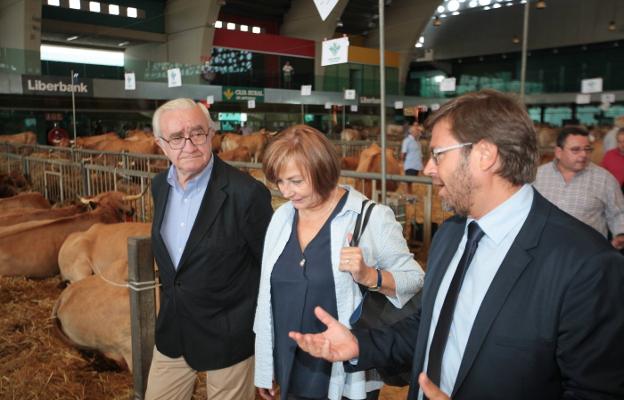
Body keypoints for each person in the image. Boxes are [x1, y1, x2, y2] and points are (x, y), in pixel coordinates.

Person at [287, 90, 624, 400]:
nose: (429, 169)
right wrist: (359, 344)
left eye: (438, 155)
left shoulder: (587, 264)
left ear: (485, 155)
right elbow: (428, 324)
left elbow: (594, 392)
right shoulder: (451, 235)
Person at [254, 124, 424, 400]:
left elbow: (414, 279)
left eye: (296, 181)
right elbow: (268, 299)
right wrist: (266, 364)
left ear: (322, 170)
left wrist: (370, 276)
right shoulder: (282, 218)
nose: (286, 192)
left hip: (342, 366)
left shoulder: (370, 217)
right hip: (289, 360)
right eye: (280, 182)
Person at [145, 98, 273, 400]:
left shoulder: (246, 193)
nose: (188, 145)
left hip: (229, 335)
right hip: (174, 330)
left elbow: (270, 269)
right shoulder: (159, 186)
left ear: (212, 134)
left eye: (197, 133)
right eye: (176, 137)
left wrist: (268, 346)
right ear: (161, 144)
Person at [533, 126, 624, 250]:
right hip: (544, 252)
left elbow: (618, 213)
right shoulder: (537, 176)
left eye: (587, 149)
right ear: (559, 152)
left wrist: (620, 234)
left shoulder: (604, 179)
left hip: (588, 255)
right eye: (576, 150)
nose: (583, 155)